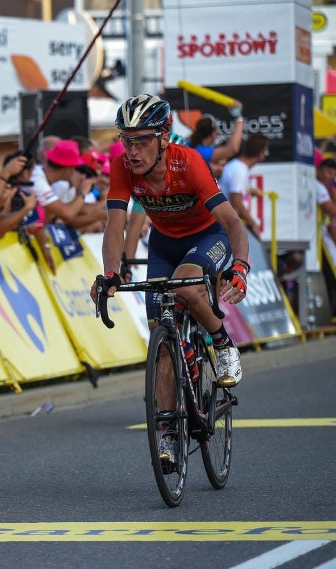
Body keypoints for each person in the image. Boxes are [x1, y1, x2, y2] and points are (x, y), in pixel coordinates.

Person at [90, 94, 250, 471]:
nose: (131, 150)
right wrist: (111, 272)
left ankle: (223, 344)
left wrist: (241, 265)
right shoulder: (122, 168)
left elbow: (233, 222)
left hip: (208, 236)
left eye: (141, 139)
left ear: (164, 137)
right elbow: (116, 223)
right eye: (125, 139)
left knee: (183, 287)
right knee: (161, 340)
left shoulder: (189, 162)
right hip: (164, 243)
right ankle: (168, 431)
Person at [218, 134, 269, 239]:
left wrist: (248, 190)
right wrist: (253, 225)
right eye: (266, 151)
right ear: (261, 154)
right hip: (228, 226)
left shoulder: (237, 166)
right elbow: (237, 203)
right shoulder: (240, 170)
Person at [315, 150, 336, 241]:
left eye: (334, 175)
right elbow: (333, 211)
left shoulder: (325, 187)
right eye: (329, 173)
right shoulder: (318, 186)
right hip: (317, 235)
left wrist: (331, 188)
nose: (332, 177)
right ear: (318, 170)